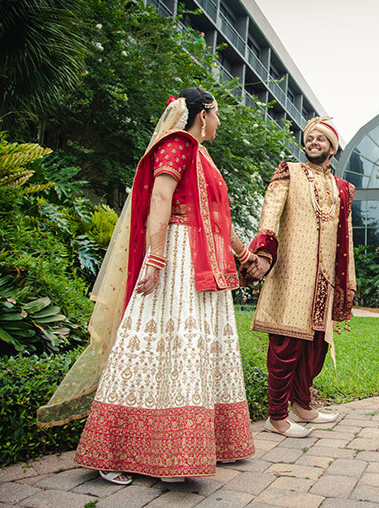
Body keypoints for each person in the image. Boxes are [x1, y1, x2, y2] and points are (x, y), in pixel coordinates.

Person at [37, 88, 256, 484]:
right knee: (156, 346)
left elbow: (218, 219)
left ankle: (181, 451)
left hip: (202, 262)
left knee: (194, 349)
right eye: (217, 114)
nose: (220, 122)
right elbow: (159, 196)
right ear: (202, 114)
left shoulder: (202, 154)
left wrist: (243, 254)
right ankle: (114, 453)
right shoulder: (177, 144)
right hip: (176, 259)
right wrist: (156, 259)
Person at [244, 116, 356, 438]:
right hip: (292, 274)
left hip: (326, 279)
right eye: (310, 138)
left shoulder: (343, 189)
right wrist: (264, 252)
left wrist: (348, 281)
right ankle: (276, 416)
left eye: (321, 139)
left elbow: (345, 235)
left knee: (315, 347)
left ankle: (302, 406)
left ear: (332, 148)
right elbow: (270, 213)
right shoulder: (288, 172)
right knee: (286, 344)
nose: (313, 143)